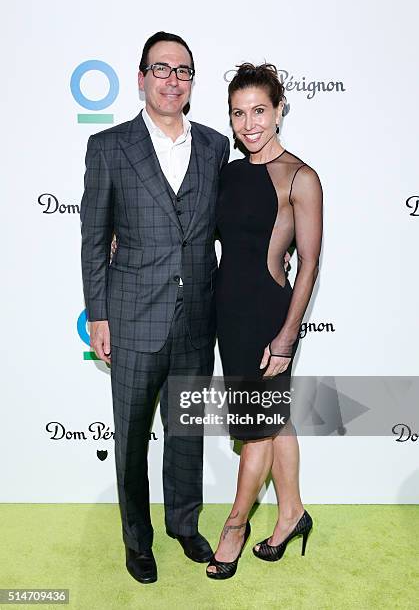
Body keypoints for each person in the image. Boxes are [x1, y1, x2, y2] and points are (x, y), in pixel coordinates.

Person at [80, 31, 230, 584]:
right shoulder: (109, 146)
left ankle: (184, 525)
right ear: (141, 77)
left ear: (192, 82)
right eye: (161, 69)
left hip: (197, 318)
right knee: (131, 437)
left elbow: (226, 227)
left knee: (186, 432)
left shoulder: (216, 146)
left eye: (183, 71)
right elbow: (94, 239)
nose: (172, 79)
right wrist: (98, 314)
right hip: (132, 317)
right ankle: (136, 540)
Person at [206, 63, 323, 579]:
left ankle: (235, 526)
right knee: (273, 421)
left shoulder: (301, 177)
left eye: (259, 110)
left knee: (255, 431)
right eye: (238, 113)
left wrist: (285, 338)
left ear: (279, 111)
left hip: (266, 319)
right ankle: (292, 513)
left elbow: (309, 265)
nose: (249, 123)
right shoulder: (229, 172)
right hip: (227, 314)